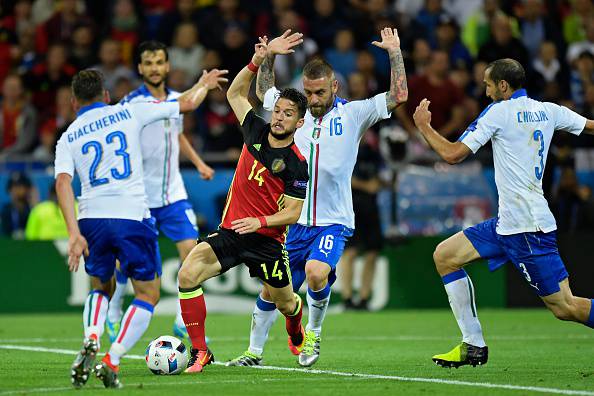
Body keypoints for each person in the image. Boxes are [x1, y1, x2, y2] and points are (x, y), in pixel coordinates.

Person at [227, 27, 407, 368]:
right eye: (308, 92)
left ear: (334, 87)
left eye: (320, 92)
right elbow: (265, 92)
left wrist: (395, 53)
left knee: (315, 272)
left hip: (333, 221)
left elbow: (397, 96)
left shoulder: (354, 114)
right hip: (293, 222)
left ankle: (314, 334)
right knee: (272, 292)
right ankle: (253, 352)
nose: (314, 99)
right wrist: (268, 56)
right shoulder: (296, 112)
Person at [412, 58, 594, 368]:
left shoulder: (499, 111)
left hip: (526, 228)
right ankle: (474, 344)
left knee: (566, 307)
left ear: (503, 86)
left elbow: (453, 154)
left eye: (487, 85)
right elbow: (590, 126)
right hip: (508, 223)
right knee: (445, 255)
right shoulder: (549, 110)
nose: (485, 92)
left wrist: (425, 127)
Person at [56, 67, 227, 388]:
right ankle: (112, 358)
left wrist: (73, 233)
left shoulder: (68, 136)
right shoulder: (127, 111)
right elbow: (187, 104)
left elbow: (63, 183)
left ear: (73, 102)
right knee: (147, 293)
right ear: (106, 97)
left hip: (91, 218)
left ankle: (92, 337)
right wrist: (202, 83)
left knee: (99, 287)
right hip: (132, 214)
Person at [177, 36, 310, 374]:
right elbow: (235, 93)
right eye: (278, 110)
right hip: (232, 231)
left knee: (286, 302)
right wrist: (257, 60)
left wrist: (261, 221)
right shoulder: (254, 128)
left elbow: (293, 213)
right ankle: (201, 351)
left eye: (288, 114)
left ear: (300, 123)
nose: (279, 118)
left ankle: (296, 327)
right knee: (188, 274)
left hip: (267, 242)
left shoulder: (296, 164)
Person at [105, 40, 215, 343]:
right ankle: (114, 309)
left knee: (191, 252)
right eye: (148, 63)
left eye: (159, 62)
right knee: (125, 262)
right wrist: (202, 85)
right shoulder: (130, 104)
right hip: (140, 198)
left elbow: (176, 135)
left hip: (172, 194)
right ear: (140, 68)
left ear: (167, 66)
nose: (154, 68)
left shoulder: (176, 99)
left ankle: (182, 317)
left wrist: (199, 163)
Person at [339, 133, 385, 311]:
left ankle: (365, 298)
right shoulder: (345, 151)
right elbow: (341, 178)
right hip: (351, 208)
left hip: (372, 209)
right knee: (349, 253)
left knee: (372, 253)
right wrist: (367, 186)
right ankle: (347, 297)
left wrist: (385, 182)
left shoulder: (374, 153)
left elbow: (382, 175)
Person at [1, 171, 32, 238]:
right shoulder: (6, 211)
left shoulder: (31, 210)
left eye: (20, 186)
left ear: (27, 189)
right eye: (13, 187)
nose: (16, 190)